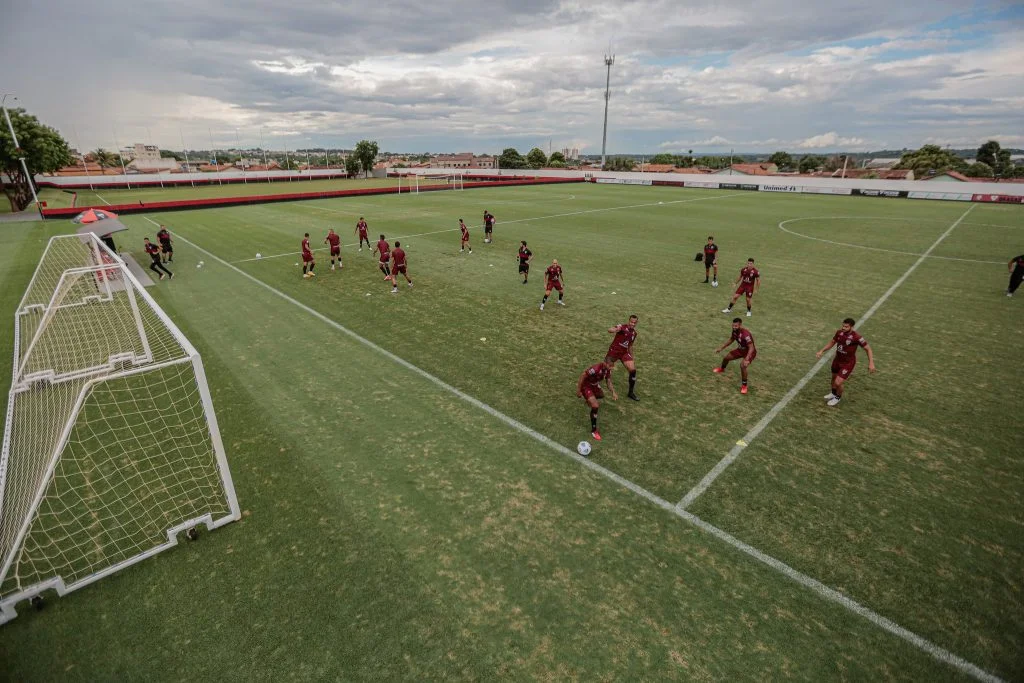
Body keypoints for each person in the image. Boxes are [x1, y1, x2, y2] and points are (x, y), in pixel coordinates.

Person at [816, 317, 877, 407]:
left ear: (851, 327)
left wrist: (871, 363)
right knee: (833, 378)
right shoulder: (839, 332)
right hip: (837, 359)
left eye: (846, 327)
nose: (843, 328)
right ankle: (833, 393)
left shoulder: (857, 337)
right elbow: (832, 342)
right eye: (843, 326)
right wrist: (822, 350)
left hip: (848, 363)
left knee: (838, 382)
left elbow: (868, 349)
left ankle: (837, 397)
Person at [713, 318, 756, 394]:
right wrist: (721, 348)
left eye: (736, 326)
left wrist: (747, 359)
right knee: (726, 358)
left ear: (740, 325)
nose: (734, 327)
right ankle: (722, 369)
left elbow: (751, 347)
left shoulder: (746, 334)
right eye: (733, 326)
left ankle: (744, 386)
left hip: (749, 352)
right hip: (740, 350)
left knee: (743, 366)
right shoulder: (735, 331)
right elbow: (731, 339)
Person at [577, 360, 617, 442]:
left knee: (601, 395)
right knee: (595, 406)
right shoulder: (595, 369)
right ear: (605, 363)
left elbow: (608, 381)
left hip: (594, 385)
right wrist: (579, 390)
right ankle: (594, 430)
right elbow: (583, 375)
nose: (611, 368)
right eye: (610, 366)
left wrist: (613, 392)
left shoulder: (607, 370)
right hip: (587, 386)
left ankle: (589, 399)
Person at [606, 315, 640, 401]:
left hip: (624, 353)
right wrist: (615, 329)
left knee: (633, 370)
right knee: (605, 370)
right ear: (629, 321)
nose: (632, 324)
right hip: (614, 351)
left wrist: (632, 357)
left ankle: (630, 393)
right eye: (631, 322)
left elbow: (630, 345)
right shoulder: (622, 327)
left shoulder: (634, 333)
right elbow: (609, 330)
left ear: (636, 323)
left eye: (634, 323)